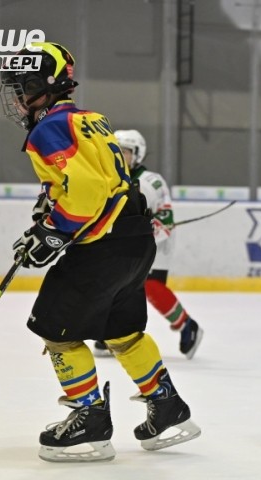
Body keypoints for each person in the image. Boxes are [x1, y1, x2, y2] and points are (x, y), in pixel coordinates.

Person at [0, 41, 201, 463]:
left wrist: (53, 232)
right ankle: (167, 406)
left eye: (24, 87)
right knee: (123, 332)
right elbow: (97, 179)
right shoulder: (89, 119)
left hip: (102, 246)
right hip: (135, 238)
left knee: (56, 330)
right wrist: (49, 209)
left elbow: (88, 190)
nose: (18, 99)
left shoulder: (47, 128)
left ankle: (89, 420)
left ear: (47, 86)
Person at [93, 130, 202, 360]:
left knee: (151, 286)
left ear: (138, 154)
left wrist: (143, 234)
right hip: (123, 241)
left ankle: (186, 325)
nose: (119, 156)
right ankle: (112, 331)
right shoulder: (107, 179)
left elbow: (165, 218)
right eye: (115, 151)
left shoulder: (152, 181)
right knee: (114, 283)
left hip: (156, 243)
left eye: (125, 152)